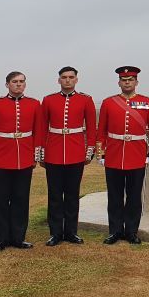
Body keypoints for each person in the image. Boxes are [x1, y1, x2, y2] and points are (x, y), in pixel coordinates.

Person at [97, 66, 149, 245]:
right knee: (114, 196)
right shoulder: (108, 102)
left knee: (134, 196)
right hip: (114, 155)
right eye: (124, 80)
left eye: (130, 80)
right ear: (119, 82)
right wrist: (101, 153)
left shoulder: (147, 102)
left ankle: (132, 231)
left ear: (136, 82)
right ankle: (115, 231)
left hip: (137, 155)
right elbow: (101, 130)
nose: (127, 82)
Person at [0, 71, 41, 252]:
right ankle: (0, 238)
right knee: (0, 200)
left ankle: (18, 237)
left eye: (22, 81)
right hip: (0, 158)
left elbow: (38, 131)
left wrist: (35, 155)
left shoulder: (34, 104)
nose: (18, 85)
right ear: (7, 84)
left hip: (24, 158)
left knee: (21, 199)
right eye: (15, 82)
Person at [38, 66, 96, 246]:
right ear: (59, 80)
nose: (68, 80)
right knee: (55, 195)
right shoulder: (48, 100)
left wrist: (89, 151)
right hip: (54, 153)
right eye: (64, 77)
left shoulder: (86, 100)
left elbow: (92, 127)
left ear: (76, 80)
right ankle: (55, 232)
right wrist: (41, 153)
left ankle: (71, 232)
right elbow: (41, 127)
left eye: (71, 77)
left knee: (72, 194)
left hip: (76, 152)